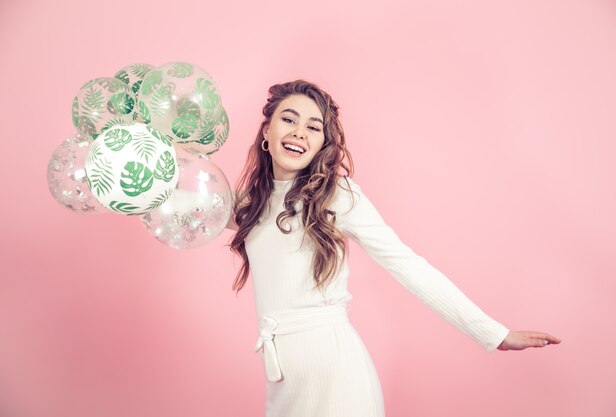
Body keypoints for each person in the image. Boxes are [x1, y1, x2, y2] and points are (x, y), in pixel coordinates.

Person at [225, 80, 561, 417]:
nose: (300, 132)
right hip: (282, 383)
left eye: (313, 127)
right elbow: (180, 207)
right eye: (289, 120)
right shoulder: (251, 205)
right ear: (266, 132)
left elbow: (408, 265)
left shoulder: (336, 195)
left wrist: (493, 333)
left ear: (321, 146)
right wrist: (176, 150)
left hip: (335, 376)